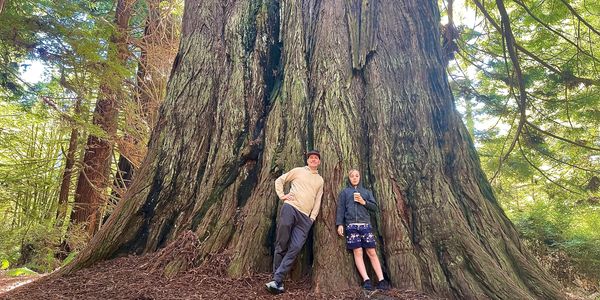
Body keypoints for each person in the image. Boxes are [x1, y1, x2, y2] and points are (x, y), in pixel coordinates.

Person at [265, 150, 324, 294]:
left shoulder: (320, 180)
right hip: (290, 208)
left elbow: (318, 200)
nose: (313, 160)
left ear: (319, 162)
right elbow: (280, 180)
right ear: (307, 160)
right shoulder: (298, 171)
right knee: (282, 243)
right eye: (311, 158)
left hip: (305, 218)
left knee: (296, 247)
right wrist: (282, 196)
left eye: (316, 158)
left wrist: (312, 218)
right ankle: (277, 280)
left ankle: (277, 280)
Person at [336, 169, 390, 291]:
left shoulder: (366, 192)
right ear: (348, 178)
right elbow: (340, 209)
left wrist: (363, 202)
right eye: (352, 176)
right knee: (358, 252)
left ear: (360, 177)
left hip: (365, 225)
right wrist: (339, 224)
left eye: (357, 176)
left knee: (371, 252)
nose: (354, 178)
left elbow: (374, 207)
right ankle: (366, 280)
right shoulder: (345, 192)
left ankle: (381, 279)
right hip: (351, 226)